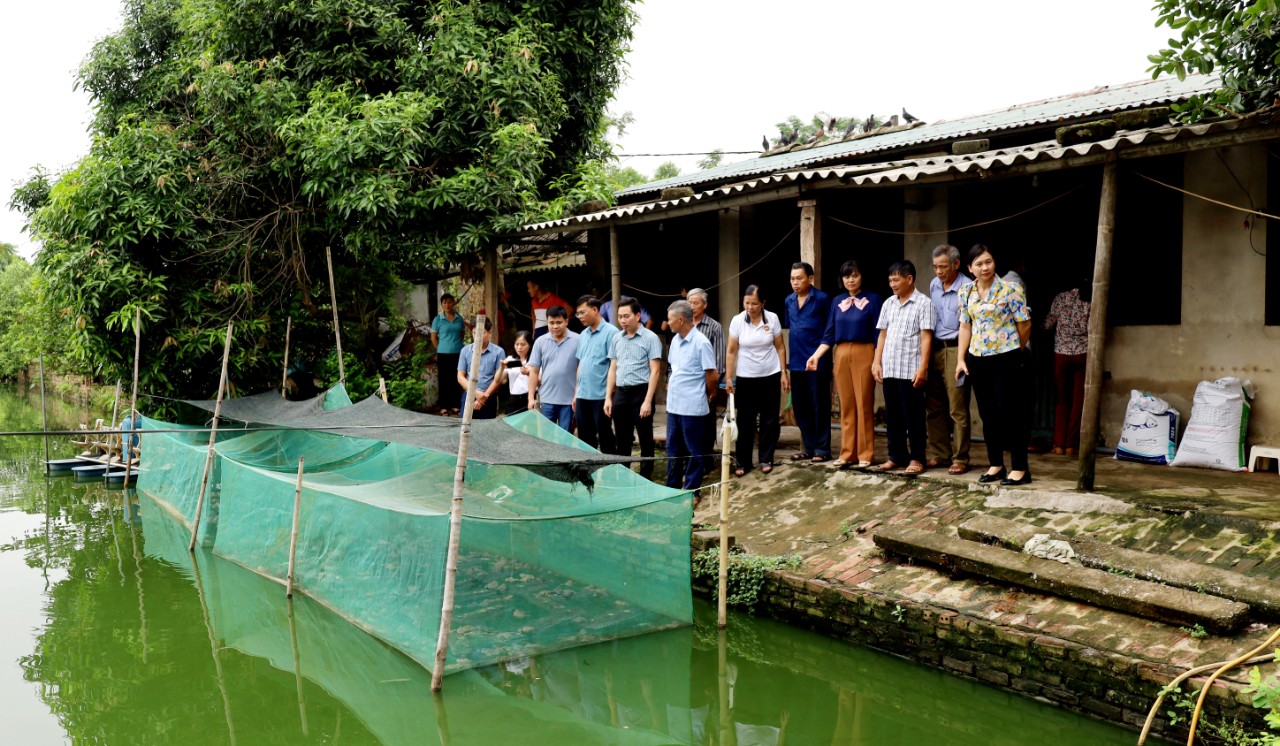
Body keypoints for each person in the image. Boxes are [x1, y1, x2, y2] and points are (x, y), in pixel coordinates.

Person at [956, 244, 1033, 486]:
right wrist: (960, 359)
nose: (985, 267)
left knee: (1010, 412)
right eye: (979, 263)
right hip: (977, 359)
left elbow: (1025, 325)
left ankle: (1020, 468)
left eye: (988, 261)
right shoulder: (966, 292)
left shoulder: (1011, 289)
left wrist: (1014, 351)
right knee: (988, 414)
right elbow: (965, 326)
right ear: (970, 268)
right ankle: (996, 465)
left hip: (1006, 357)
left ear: (994, 263)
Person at [807, 260, 882, 467]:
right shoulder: (837, 301)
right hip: (840, 353)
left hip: (865, 351)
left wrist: (878, 360)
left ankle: (865, 454)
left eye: (855, 275)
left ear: (862, 277)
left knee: (864, 404)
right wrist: (816, 355)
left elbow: (879, 334)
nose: (851, 280)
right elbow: (829, 333)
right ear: (842, 279)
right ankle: (847, 453)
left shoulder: (873, 300)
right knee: (846, 404)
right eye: (847, 276)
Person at [871, 261, 934, 474]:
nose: (892, 284)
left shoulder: (924, 303)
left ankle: (917, 458)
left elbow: (926, 338)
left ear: (910, 279)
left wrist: (923, 367)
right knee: (893, 416)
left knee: (914, 417)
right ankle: (896, 456)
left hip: (911, 370)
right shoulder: (888, 303)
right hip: (890, 368)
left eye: (896, 280)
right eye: (890, 280)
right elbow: (882, 335)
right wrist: (876, 362)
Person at [726, 285, 788, 476]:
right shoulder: (737, 321)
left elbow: (780, 347)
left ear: (762, 303)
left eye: (754, 303)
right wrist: (729, 377)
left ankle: (766, 458)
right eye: (747, 303)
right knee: (745, 421)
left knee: (770, 420)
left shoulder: (772, 318)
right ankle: (742, 462)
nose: (750, 307)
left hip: (770, 375)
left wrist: (784, 373)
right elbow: (731, 351)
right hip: (746, 377)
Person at [926, 245, 973, 474]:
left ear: (956, 264)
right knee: (934, 406)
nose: (938, 271)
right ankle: (940, 454)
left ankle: (960, 458)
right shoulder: (934, 285)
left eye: (943, 266)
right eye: (935, 267)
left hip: (957, 350)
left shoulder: (967, 287)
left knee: (957, 407)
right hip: (934, 348)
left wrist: (963, 356)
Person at [605, 297, 663, 478]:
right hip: (621, 394)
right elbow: (613, 368)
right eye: (620, 317)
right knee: (622, 440)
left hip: (642, 392)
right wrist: (608, 397)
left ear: (638, 316)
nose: (622, 320)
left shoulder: (650, 338)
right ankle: (624, 478)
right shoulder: (616, 338)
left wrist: (647, 400)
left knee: (645, 439)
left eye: (626, 316)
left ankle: (646, 477)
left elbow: (655, 371)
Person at [664, 299, 719, 491]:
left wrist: (711, 393)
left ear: (680, 319)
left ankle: (692, 490)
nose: (667, 323)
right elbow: (673, 368)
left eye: (670, 319)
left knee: (694, 451)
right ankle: (671, 487)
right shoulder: (675, 342)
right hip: (674, 406)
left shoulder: (701, 342)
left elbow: (712, 374)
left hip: (692, 406)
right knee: (673, 449)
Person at [784, 262, 833, 463]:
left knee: (819, 405)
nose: (795, 283)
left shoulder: (822, 299)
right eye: (792, 279)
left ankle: (822, 449)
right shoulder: (789, 300)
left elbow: (830, 329)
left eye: (799, 278)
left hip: (818, 362)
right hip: (796, 362)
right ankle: (808, 448)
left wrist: (820, 355)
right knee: (801, 406)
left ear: (810, 279)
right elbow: (791, 328)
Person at [1044, 281, 1091, 455]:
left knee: (1062, 400)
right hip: (1082, 354)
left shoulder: (1061, 298)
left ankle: (1058, 444)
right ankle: (1071, 445)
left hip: (1061, 355)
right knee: (1079, 401)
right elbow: (1091, 329)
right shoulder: (1091, 302)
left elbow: (1049, 323)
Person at [574, 295, 619, 452]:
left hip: (601, 395)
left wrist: (609, 396)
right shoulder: (583, 334)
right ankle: (589, 471)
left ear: (595, 310)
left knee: (605, 434)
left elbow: (614, 366)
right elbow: (581, 364)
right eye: (577, 314)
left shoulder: (612, 332)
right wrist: (576, 393)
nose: (580, 317)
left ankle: (611, 470)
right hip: (582, 394)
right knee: (584, 437)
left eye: (582, 312)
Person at [527, 306, 579, 431]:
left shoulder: (578, 340)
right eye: (551, 323)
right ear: (547, 323)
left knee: (566, 438)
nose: (555, 326)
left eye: (559, 322)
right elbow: (533, 372)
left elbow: (581, 370)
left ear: (566, 321)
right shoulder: (540, 341)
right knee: (546, 438)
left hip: (569, 401)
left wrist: (577, 395)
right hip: (546, 399)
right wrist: (530, 398)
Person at [688, 287, 727, 455]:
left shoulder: (714, 327)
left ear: (705, 305)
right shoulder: (683, 324)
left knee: (705, 424)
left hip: (705, 385)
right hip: (685, 384)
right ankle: (688, 458)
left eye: (695, 303)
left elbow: (719, 362)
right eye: (688, 303)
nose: (691, 306)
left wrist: (712, 386)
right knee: (687, 424)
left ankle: (706, 459)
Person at [456, 316, 505, 419]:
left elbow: (498, 380)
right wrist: (475, 393)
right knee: (465, 428)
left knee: (486, 431)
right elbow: (460, 376)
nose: (478, 337)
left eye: (482, 333)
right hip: (469, 394)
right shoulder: (465, 351)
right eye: (475, 333)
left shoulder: (498, 352)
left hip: (489, 396)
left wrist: (482, 398)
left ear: (489, 332)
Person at [430, 293, 470, 415]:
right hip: (443, 354)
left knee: (457, 379)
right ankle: (444, 406)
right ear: (442, 305)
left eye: (449, 302)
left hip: (458, 353)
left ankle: (455, 405)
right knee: (443, 380)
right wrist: (441, 348)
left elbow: (462, 334)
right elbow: (433, 338)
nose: (447, 305)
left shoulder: (459, 318)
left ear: (453, 303)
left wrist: (455, 345)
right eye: (444, 302)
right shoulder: (437, 320)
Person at [503, 331, 533, 416]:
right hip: (514, 397)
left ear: (530, 345)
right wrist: (502, 367)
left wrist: (528, 373)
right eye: (517, 344)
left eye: (523, 344)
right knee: (511, 426)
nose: (519, 347)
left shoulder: (534, 361)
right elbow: (501, 380)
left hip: (529, 397)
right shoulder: (510, 359)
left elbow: (541, 382)